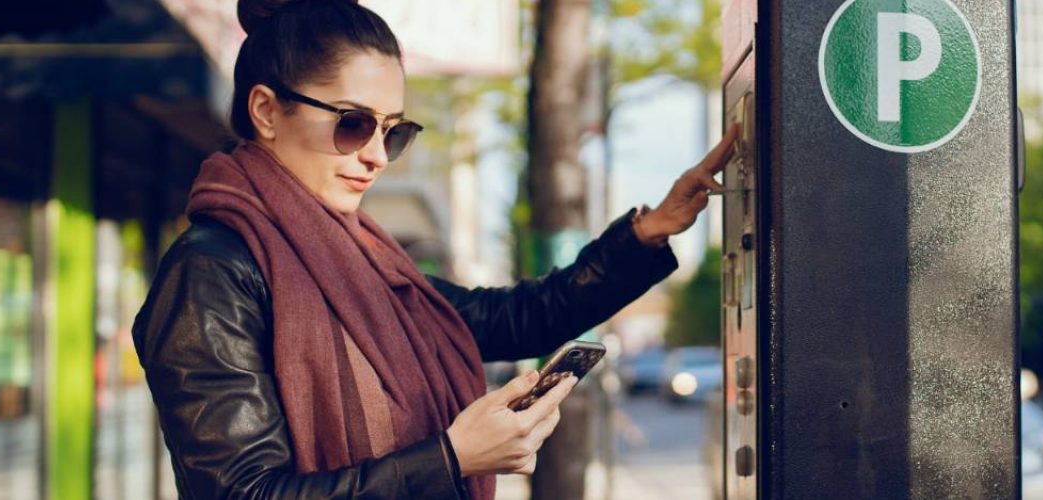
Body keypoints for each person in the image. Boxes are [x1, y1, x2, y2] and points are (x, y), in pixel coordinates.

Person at [130, 0, 738, 498]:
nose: (374, 154)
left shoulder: (363, 257)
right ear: (266, 110)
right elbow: (243, 493)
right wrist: (452, 458)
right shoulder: (211, 272)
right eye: (352, 122)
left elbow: (511, 319)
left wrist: (650, 231)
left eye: (393, 130)